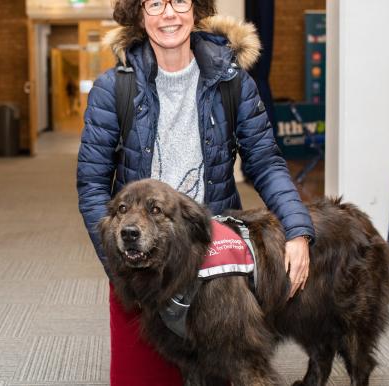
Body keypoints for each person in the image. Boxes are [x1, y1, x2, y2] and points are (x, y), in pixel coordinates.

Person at [76, 0, 316, 384]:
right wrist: (121, 265)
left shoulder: (232, 80)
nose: (168, 13)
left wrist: (298, 230)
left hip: (214, 258)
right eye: (154, 3)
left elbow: (267, 163)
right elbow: (92, 186)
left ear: (196, 9)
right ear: (139, 14)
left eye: (180, 1)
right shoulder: (113, 87)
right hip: (143, 266)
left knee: (223, 373)